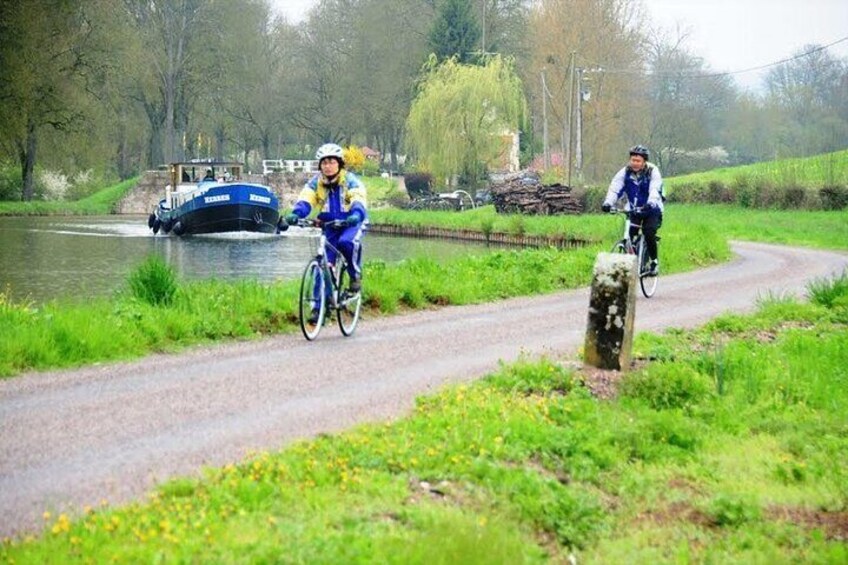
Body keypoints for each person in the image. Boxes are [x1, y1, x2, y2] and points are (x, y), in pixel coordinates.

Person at [285, 143, 368, 313]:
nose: (328, 166)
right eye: (324, 163)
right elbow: (306, 200)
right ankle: (318, 308)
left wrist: (356, 214)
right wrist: (296, 214)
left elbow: (358, 198)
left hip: (352, 222)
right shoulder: (316, 183)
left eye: (331, 162)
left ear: (339, 164)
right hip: (330, 226)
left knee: (347, 243)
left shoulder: (350, 181)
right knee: (323, 264)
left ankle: (354, 276)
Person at [602, 145, 664, 276]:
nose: (635, 163)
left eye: (638, 161)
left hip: (652, 210)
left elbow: (655, 188)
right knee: (629, 235)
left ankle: (654, 262)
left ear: (644, 162)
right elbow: (615, 188)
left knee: (648, 233)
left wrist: (651, 203)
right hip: (633, 210)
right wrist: (608, 203)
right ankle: (632, 260)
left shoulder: (653, 171)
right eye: (632, 160)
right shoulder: (625, 173)